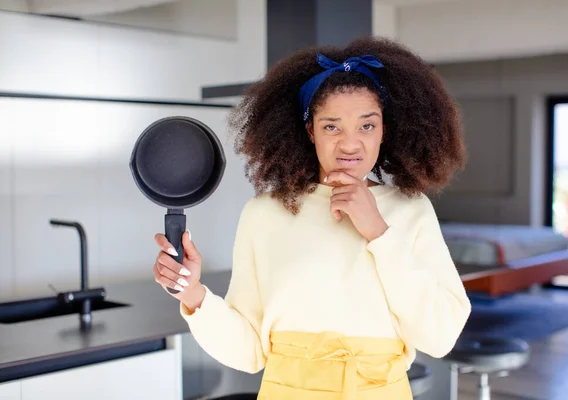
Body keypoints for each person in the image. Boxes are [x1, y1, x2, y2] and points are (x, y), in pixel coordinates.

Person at [152, 36, 471, 399]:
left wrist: (378, 231)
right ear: (310, 132)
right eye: (332, 126)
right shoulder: (265, 214)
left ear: (384, 130)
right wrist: (193, 294)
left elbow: (441, 335)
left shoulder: (410, 211)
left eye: (367, 125)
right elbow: (249, 350)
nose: (350, 144)